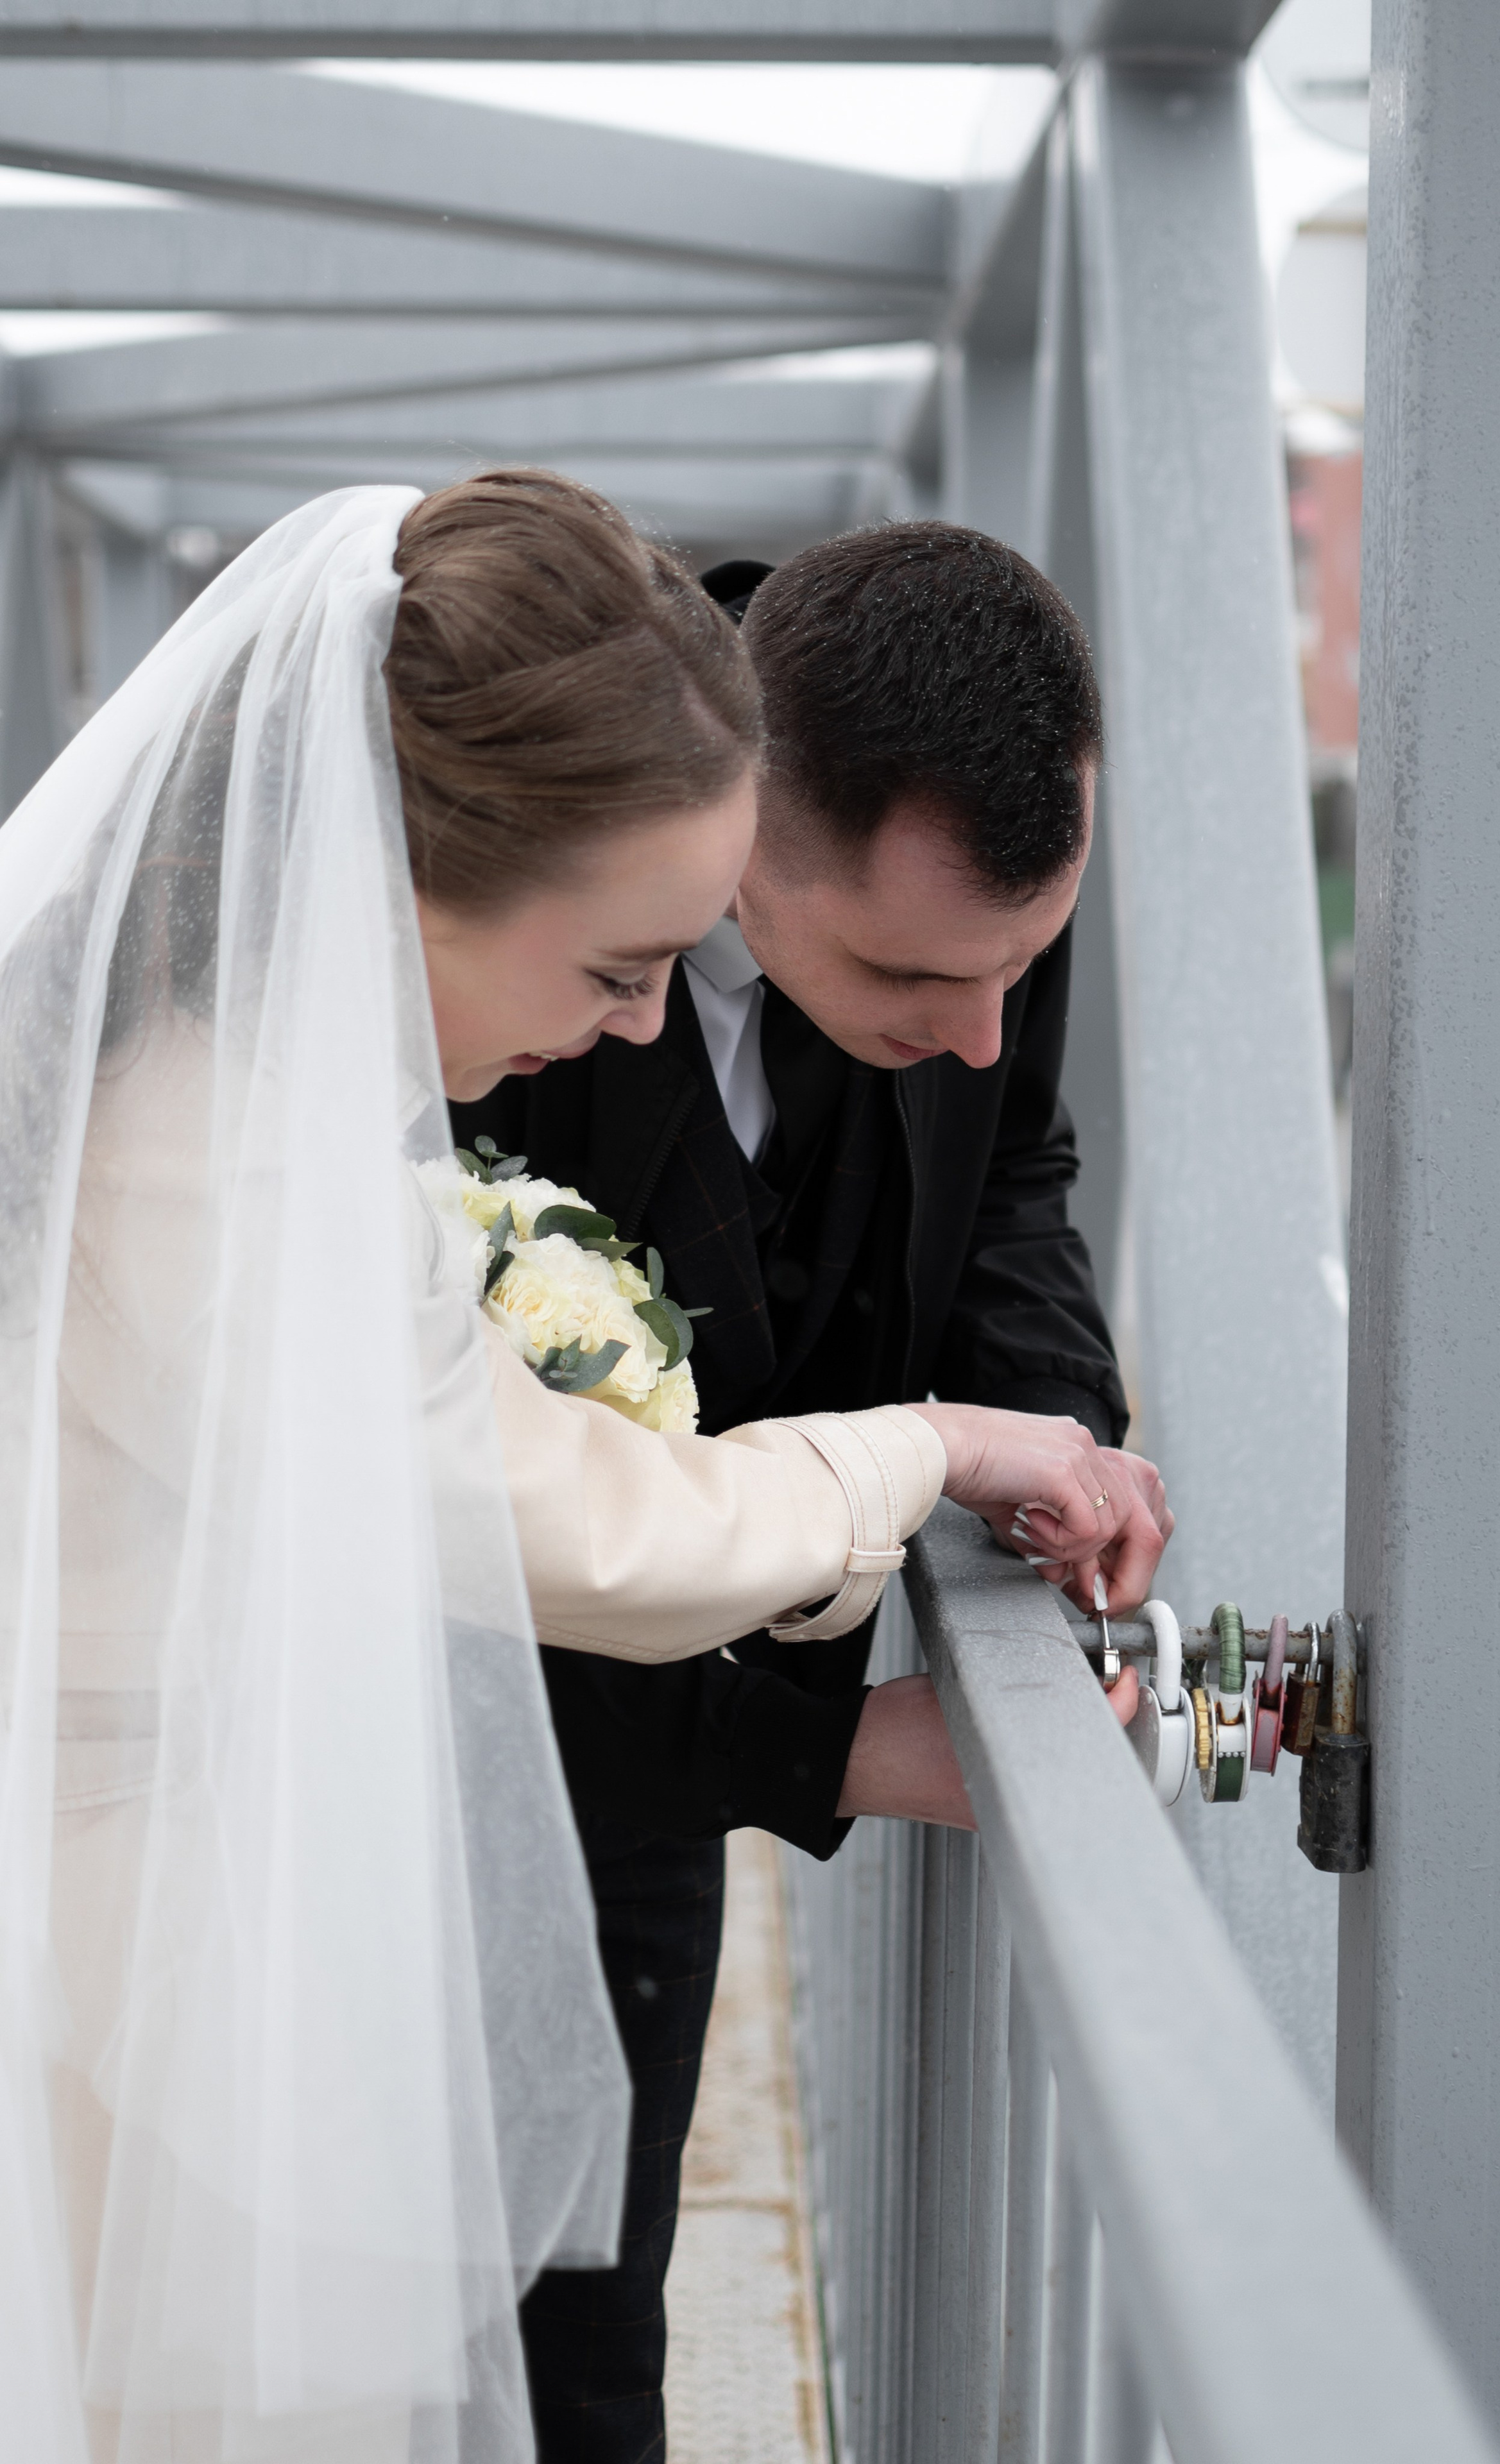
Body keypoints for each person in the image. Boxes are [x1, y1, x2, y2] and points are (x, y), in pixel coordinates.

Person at [0, 471, 1156, 2463]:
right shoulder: (213, 1128)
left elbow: (1002, 1180)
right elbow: (551, 1511)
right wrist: (930, 1451)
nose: (634, 1010)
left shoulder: (300, 1052)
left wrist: (1027, 1436)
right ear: (417, 874)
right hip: (148, 1940)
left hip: (276, 1887)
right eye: (619, 968)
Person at [455, 520, 1171, 2461]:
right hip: (415, 1734)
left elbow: (1014, 1155)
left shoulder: (982, 865)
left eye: (1026, 963)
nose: (982, 1026)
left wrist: (1048, 1435)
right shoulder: (480, 909)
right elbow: (459, 1537)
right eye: (923, 973)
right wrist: (832, 1750)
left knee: (590, 2335)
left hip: (645, 1795)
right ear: (740, 822)